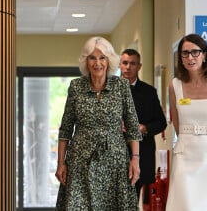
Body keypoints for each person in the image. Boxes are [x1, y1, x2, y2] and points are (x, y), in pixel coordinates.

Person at [55, 36, 142, 210]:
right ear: (86, 62)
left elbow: (132, 126)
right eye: (92, 58)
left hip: (115, 161)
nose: (97, 63)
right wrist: (60, 163)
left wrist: (135, 159)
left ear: (109, 61)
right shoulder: (76, 87)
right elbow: (65, 129)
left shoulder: (121, 86)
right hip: (80, 161)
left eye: (102, 57)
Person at [165, 33, 207, 211]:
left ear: (204, 55)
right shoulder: (175, 86)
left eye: (195, 52)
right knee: (184, 204)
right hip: (185, 154)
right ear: (180, 58)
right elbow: (177, 122)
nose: (190, 57)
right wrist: (188, 139)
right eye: (185, 53)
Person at [119, 48, 167, 206]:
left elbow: (161, 122)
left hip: (142, 155)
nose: (128, 67)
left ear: (139, 66)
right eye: (125, 63)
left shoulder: (149, 92)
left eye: (132, 63)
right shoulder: (108, 90)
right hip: (114, 155)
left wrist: (144, 128)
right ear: (120, 65)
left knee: (133, 201)